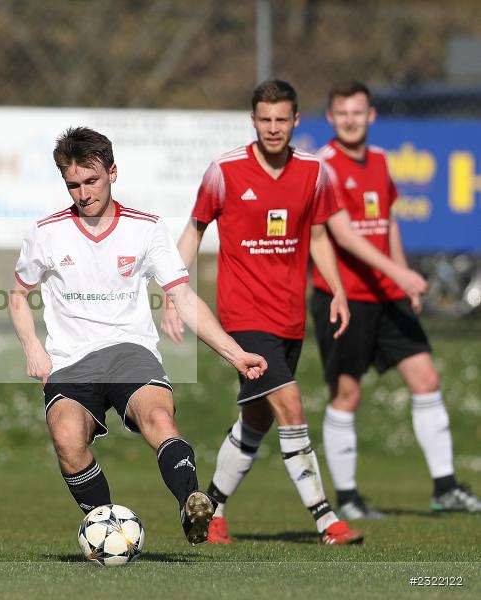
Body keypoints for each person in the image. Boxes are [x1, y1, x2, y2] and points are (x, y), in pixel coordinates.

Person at [8, 126, 268, 546]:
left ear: (112, 172)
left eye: (91, 180)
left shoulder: (146, 228)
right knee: (67, 439)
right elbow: (18, 297)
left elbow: (183, 298)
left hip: (131, 351)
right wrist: (32, 347)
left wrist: (235, 354)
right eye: (73, 185)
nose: (83, 193)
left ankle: (191, 505)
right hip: (71, 359)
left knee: (159, 420)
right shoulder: (47, 232)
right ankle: (109, 532)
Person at [162, 79, 370, 545]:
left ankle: (210, 510)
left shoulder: (314, 172)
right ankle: (327, 521)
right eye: (265, 119)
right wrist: (174, 293)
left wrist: (338, 290)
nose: (273, 128)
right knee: (291, 405)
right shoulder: (224, 171)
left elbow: (319, 236)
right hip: (243, 318)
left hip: (290, 319)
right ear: (252, 120)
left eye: (282, 120)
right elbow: (194, 230)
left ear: (295, 121)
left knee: (257, 420)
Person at [314, 81, 481, 517]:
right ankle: (348, 498)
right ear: (331, 118)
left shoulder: (380, 159)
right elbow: (344, 235)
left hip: (387, 295)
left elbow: (387, 223)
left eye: (358, 112)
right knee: (347, 394)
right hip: (345, 297)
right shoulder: (325, 166)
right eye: (342, 113)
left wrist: (402, 280)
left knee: (426, 379)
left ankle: (446, 488)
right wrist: (400, 272)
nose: (350, 120)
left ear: (371, 116)